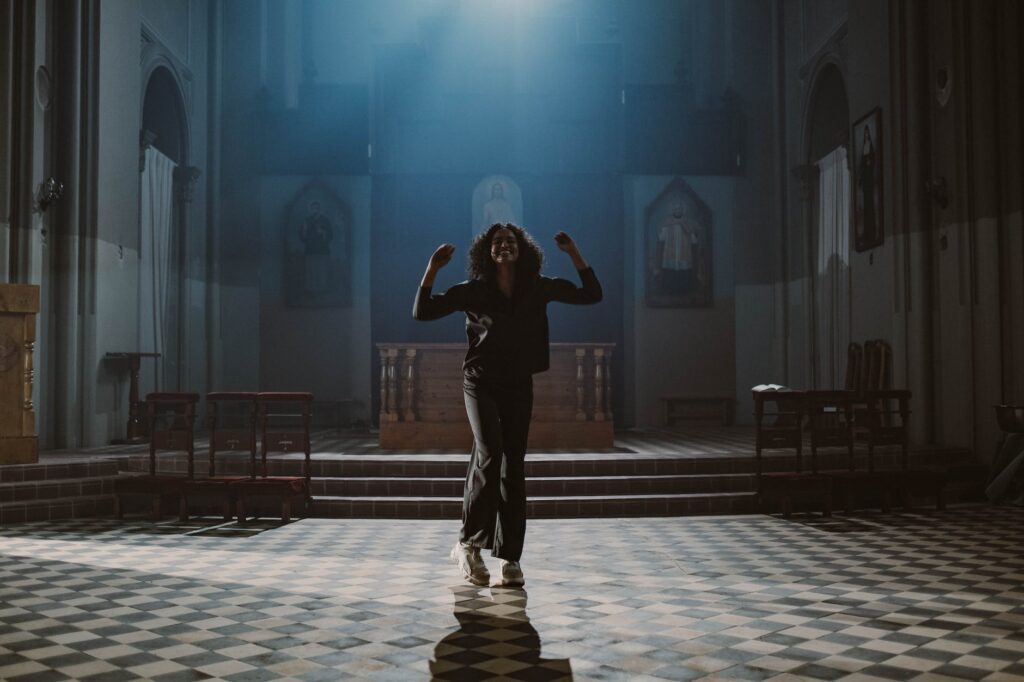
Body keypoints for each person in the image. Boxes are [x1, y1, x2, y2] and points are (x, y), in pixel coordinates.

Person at [413, 223, 602, 587]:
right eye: (497, 241)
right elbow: (423, 312)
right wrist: (432, 269)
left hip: (518, 383)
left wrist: (574, 252)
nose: (503, 245)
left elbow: (592, 294)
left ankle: (511, 559)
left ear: (522, 250)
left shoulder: (538, 287)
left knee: (513, 464)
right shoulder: (474, 290)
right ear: (488, 251)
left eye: (510, 241)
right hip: (480, 381)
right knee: (490, 452)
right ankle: (469, 544)